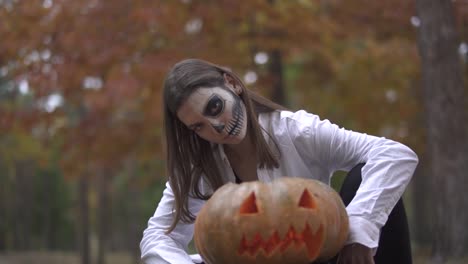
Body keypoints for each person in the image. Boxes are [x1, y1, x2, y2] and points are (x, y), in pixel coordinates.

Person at [140, 58, 418, 264]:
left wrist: (359, 230)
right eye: (198, 126)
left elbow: (394, 154)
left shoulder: (297, 131)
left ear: (233, 84)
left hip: (318, 259)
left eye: (214, 107)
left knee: (361, 177)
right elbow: (157, 237)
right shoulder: (199, 166)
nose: (217, 127)